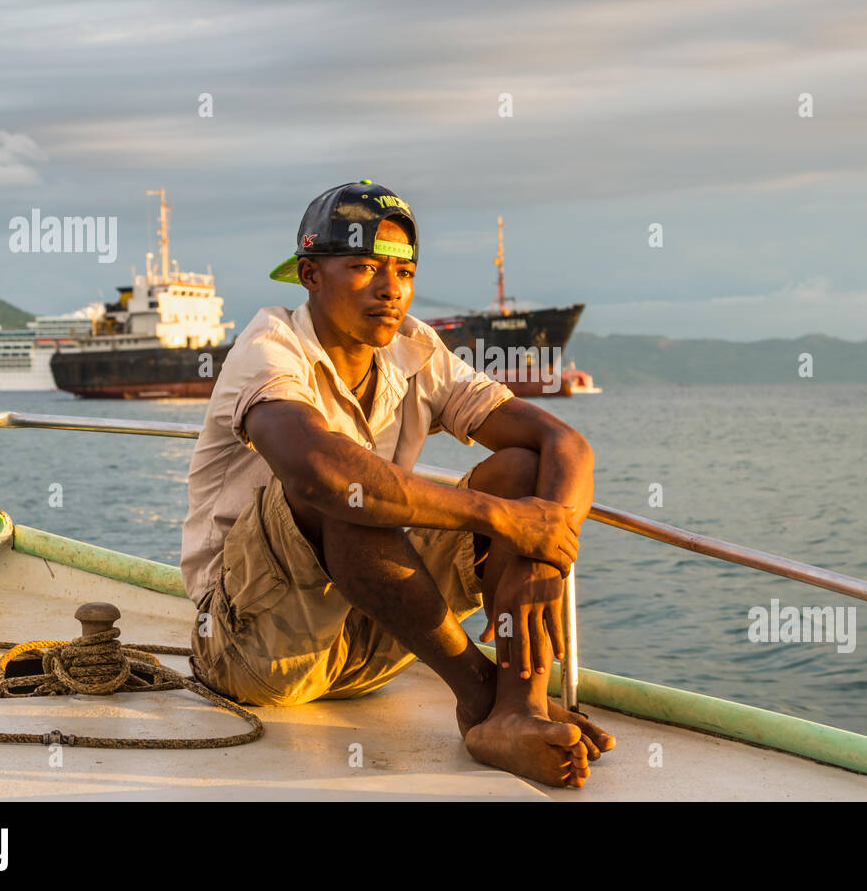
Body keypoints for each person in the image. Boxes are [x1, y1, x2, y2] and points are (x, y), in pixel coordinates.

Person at [183, 180, 614, 788]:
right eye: (362, 267)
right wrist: (499, 520)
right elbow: (319, 472)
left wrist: (546, 553)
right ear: (310, 275)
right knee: (342, 486)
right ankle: (480, 695)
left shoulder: (415, 349)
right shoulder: (270, 345)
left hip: (372, 645)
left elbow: (564, 444)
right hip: (251, 649)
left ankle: (518, 709)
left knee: (520, 472)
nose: (390, 289)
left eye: (404, 271)